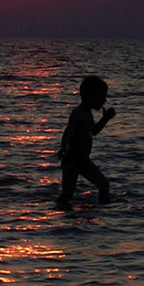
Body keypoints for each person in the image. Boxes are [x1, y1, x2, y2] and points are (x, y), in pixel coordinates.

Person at [56, 76, 117, 206]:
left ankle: (105, 209)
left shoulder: (88, 113)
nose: (104, 101)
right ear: (90, 96)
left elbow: (94, 131)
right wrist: (63, 147)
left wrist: (105, 119)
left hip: (83, 160)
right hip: (72, 160)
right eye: (102, 97)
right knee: (67, 194)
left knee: (104, 185)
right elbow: (68, 131)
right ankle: (57, 212)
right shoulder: (78, 113)